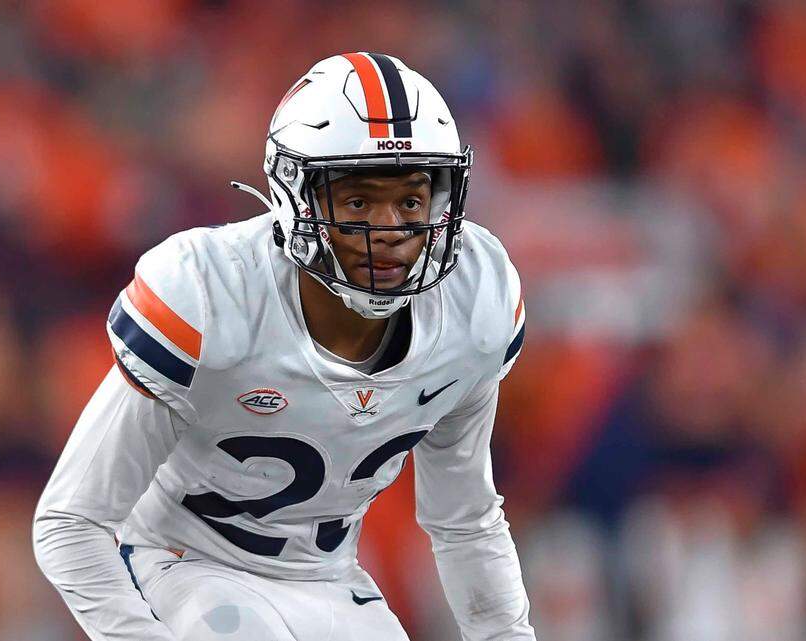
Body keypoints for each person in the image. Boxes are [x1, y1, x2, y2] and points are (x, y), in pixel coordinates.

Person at [33, 52, 534, 641]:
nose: (391, 230)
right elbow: (70, 522)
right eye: (357, 201)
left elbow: (466, 522)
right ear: (297, 198)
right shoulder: (214, 293)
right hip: (183, 565)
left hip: (329, 580)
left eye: (410, 201)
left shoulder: (474, 304)